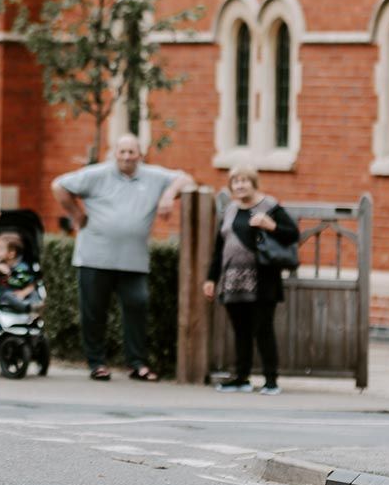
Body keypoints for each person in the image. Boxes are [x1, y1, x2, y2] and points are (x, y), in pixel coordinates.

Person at [52, 135, 193, 382]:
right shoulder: (96, 174)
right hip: (94, 257)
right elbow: (58, 186)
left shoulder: (153, 176)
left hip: (133, 260)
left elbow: (187, 178)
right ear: (114, 153)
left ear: (140, 154)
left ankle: (136, 363)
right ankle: (96, 363)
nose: (127, 157)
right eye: (122, 152)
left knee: (138, 305)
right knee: (94, 312)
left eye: (132, 152)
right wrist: (76, 214)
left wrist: (169, 194)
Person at [203, 165, 298, 395]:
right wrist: (211, 278)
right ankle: (241, 378)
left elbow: (292, 234)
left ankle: (271, 381)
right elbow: (219, 247)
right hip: (232, 280)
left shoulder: (270, 206)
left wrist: (270, 225)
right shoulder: (230, 210)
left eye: (245, 180)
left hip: (263, 281)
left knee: (263, 329)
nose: (240, 185)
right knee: (241, 331)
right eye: (236, 181)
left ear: (254, 183)